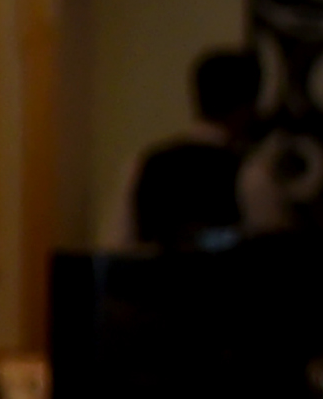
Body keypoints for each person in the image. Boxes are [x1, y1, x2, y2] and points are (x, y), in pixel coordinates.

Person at [118, 46, 287, 255]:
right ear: (247, 107)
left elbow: (120, 245)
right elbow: (273, 253)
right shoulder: (250, 173)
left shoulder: (144, 164)